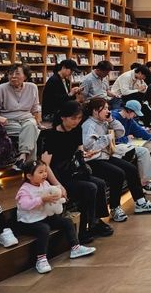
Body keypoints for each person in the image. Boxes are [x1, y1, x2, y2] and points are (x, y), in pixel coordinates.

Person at [37, 101, 114, 244]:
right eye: (73, 118)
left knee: (100, 183)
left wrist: (86, 154)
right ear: (63, 117)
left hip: (74, 171)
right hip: (58, 175)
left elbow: (79, 151)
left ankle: (94, 221)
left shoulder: (77, 130)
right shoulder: (50, 135)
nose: (76, 122)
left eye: (79, 118)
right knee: (90, 187)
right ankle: (85, 230)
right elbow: (45, 165)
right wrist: (58, 185)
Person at [82, 98, 151, 222]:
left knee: (131, 169)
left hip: (106, 156)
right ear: (96, 111)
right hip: (94, 160)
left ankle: (140, 201)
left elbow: (120, 133)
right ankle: (115, 208)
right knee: (118, 174)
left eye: (108, 108)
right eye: (105, 108)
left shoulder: (105, 121)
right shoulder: (89, 125)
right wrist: (107, 138)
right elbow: (89, 146)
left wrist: (112, 120)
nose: (108, 111)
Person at [16, 160, 96, 274]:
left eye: (45, 171)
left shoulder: (45, 184)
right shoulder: (25, 189)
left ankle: (75, 247)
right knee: (44, 229)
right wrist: (41, 199)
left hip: (43, 216)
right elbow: (25, 205)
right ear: (29, 176)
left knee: (66, 222)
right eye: (40, 172)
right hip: (29, 221)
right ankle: (41, 259)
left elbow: (52, 193)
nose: (44, 174)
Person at [112, 100, 151, 195]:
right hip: (118, 146)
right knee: (143, 151)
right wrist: (126, 138)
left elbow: (139, 130)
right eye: (134, 113)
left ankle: (146, 180)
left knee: (149, 145)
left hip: (126, 143)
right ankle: (145, 182)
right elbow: (114, 138)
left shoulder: (129, 119)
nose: (135, 116)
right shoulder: (114, 118)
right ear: (129, 111)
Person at [0, 64, 42, 169]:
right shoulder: (1, 88)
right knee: (32, 131)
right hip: (9, 121)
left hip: (27, 118)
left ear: (25, 76)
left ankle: (22, 157)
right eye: (10, 73)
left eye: (17, 73)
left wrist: (38, 121)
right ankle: (31, 166)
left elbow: (36, 107)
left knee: (31, 125)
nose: (13, 76)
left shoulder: (32, 87)